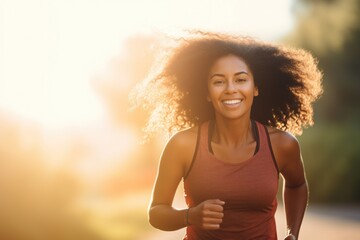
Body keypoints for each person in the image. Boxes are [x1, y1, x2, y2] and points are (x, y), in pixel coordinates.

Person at [135, 31, 323, 240]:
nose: (230, 89)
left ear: (256, 88)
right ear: (207, 92)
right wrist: (190, 216)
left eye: (241, 79)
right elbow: (156, 213)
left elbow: (297, 184)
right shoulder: (183, 145)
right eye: (219, 82)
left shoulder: (282, 144)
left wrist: (293, 233)